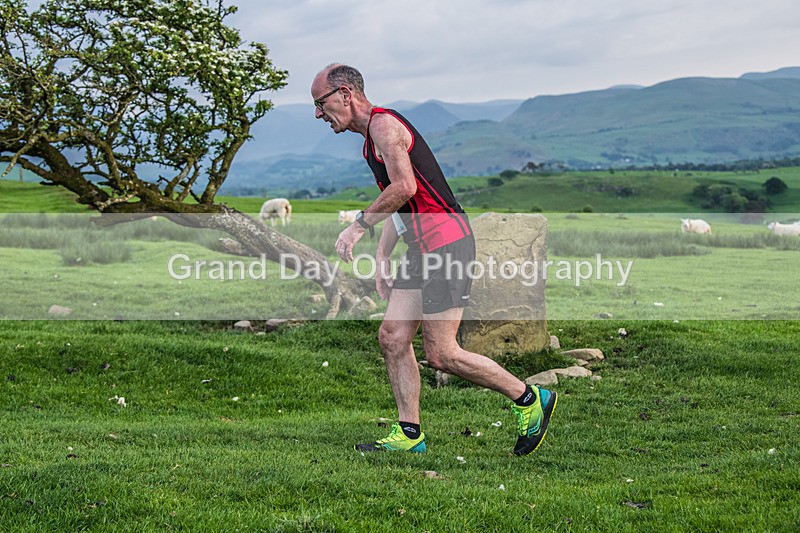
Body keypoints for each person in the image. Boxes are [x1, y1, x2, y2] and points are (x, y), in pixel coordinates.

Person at [311, 64, 557, 456]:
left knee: (441, 353)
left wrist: (359, 225)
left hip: (447, 243)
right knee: (392, 337)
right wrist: (381, 255)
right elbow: (402, 198)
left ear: (345, 94)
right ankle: (410, 435)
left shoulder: (384, 128)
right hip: (421, 249)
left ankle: (529, 398)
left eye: (320, 104)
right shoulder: (369, 140)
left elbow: (404, 186)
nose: (319, 114)